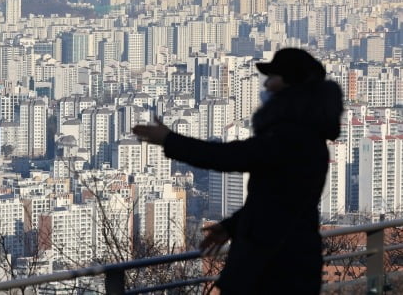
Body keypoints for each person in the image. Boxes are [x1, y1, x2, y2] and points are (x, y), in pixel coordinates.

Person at [133, 48, 343, 295]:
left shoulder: (291, 137)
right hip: (287, 262)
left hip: (275, 268)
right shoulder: (307, 135)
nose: (266, 85)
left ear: (290, 82)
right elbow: (279, 202)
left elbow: (228, 157)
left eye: (272, 77)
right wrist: (233, 226)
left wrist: (169, 140)